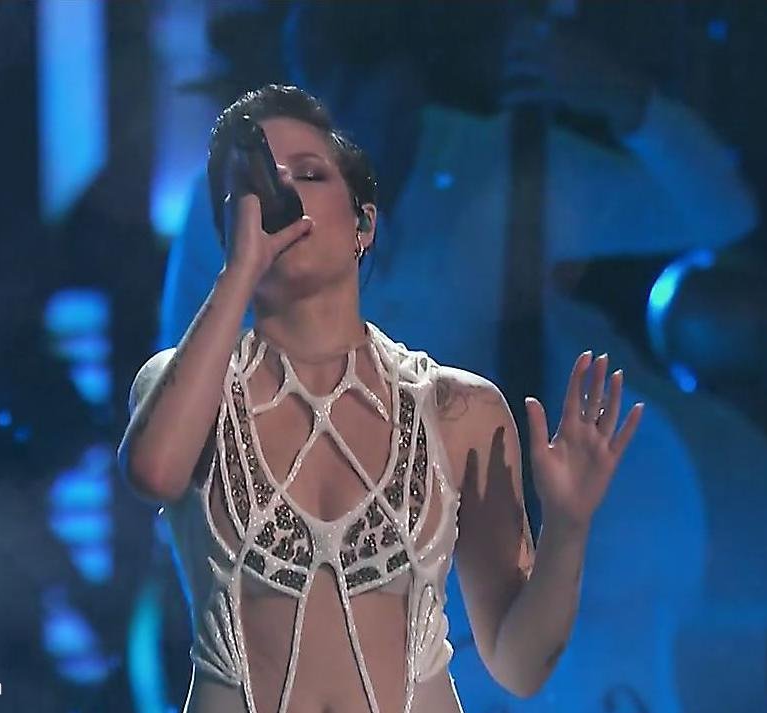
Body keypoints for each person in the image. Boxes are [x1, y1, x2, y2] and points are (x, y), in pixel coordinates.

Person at [119, 85, 644, 713]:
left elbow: (520, 663)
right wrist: (240, 270)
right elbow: (153, 472)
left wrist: (569, 525)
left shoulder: (458, 409)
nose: (280, 193)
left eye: (308, 174)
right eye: (254, 185)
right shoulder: (181, 388)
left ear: (364, 224)